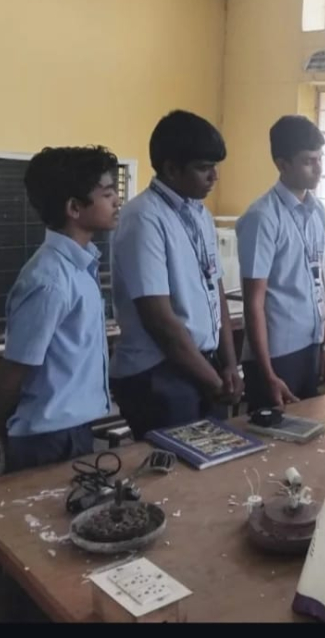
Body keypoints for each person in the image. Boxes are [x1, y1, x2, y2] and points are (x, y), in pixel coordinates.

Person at [0, 147, 122, 473]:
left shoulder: (80, 266)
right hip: (46, 438)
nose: (117, 201)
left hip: (74, 429)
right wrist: (8, 441)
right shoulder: (50, 281)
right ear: (74, 208)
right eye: (107, 194)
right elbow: (10, 376)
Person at [109, 111, 242, 440]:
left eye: (215, 166)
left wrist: (229, 364)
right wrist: (213, 381)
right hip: (159, 374)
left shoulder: (200, 214)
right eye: (203, 167)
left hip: (203, 365)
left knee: (214, 459)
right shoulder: (143, 218)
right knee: (175, 466)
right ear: (170, 169)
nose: (214, 177)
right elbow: (160, 320)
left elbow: (216, 291)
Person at [236, 115, 325, 410]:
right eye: (308, 161)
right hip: (276, 353)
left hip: (311, 344)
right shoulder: (262, 217)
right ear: (282, 164)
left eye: (320, 158)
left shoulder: (317, 211)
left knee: (310, 426)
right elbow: (253, 302)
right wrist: (267, 374)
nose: (318, 168)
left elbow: (319, 282)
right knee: (271, 431)